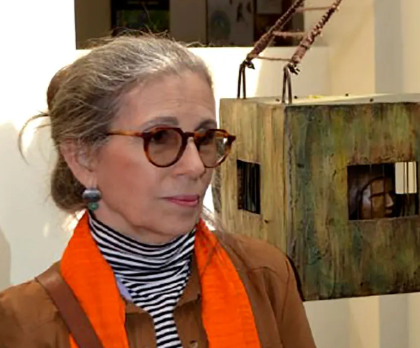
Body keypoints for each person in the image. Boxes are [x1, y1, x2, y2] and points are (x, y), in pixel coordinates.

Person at [0, 35, 317, 348]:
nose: (195, 166)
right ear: (83, 157)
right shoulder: (25, 325)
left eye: (205, 138)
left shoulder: (265, 277)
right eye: (160, 138)